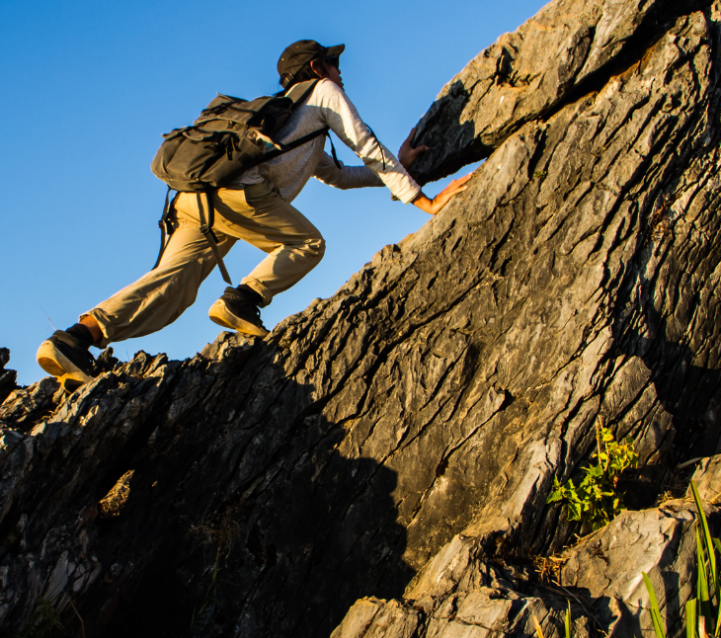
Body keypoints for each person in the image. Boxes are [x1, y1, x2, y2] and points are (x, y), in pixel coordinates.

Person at [36, 40, 471, 389]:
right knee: (308, 243)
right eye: (334, 65)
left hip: (198, 198)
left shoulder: (291, 127)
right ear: (318, 70)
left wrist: (403, 169)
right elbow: (367, 145)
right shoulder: (325, 96)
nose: (342, 72)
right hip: (236, 196)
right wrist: (425, 203)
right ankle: (242, 300)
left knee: (171, 286)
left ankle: (75, 340)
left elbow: (338, 175)